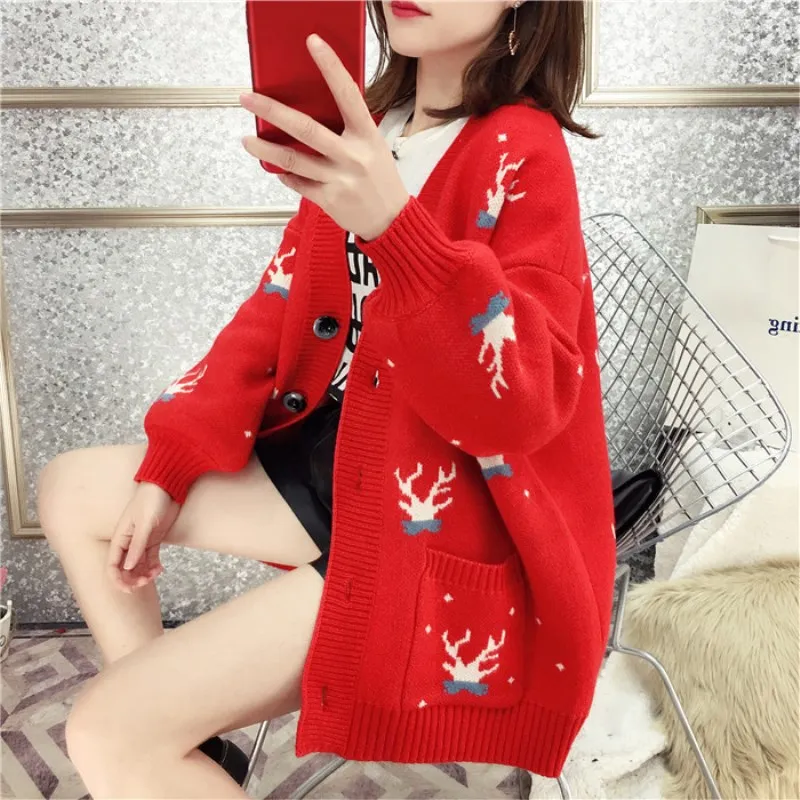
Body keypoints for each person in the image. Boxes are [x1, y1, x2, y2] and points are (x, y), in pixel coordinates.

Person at [37, 1, 617, 796]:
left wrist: (395, 226)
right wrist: (173, 462)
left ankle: (151, 744)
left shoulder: (523, 148)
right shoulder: (372, 129)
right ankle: (183, 749)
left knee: (105, 730)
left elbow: (520, 404)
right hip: (337, 466)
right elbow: (277, 306)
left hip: (437, 514)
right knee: (69, 489)